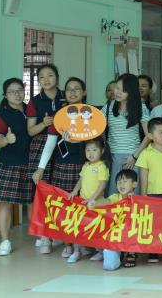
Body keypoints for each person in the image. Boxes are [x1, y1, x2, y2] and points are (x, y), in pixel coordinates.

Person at [32, 77, 88, 260]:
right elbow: (50, 144)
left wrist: (78, 140)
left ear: (84, 92)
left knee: (83, 204)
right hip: (62, 166)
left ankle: (82, 242)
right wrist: (40, 168)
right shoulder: (59, 115)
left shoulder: (91, 114)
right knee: (64, 206)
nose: (73, 92)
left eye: (77, 88)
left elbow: (98, 141)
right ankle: (68, 243)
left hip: (85, 166)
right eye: (69, 89)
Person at [0, 78, 32, 257]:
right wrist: (6, 140)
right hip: (10, 163)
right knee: (5, 202)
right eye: (12, 92)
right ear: (5, 95)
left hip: (32, 162)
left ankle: (42, 237)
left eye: (19, 90)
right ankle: (5, 241)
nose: (17, 94)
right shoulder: (1, 115)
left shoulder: (31, 110)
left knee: (34, 200)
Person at [26, 63, 64, 254]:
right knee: (42, 189)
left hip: (64, 145)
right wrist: (44, 123)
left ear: (57, 77)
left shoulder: (66, 96)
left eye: (50, 75)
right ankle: (43, 235)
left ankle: (59, 231)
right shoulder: (35, 101)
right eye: (42, 77)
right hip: (41, 146)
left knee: (60, 188)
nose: (46, 80)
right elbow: (30, 130)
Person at [135, 117, 162, 263]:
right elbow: (143, 176)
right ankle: (153, 251)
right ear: (150, 135)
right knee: (153, 224)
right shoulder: (146, 153)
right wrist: (144, 196)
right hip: (152, 195)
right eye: (160, 132)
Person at [103, 74, 150, 196]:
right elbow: (94, 126)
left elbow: (149, 135)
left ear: (131, 92)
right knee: (113, 196)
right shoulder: (109, 106)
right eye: (117, 88)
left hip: (131, 158)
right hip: (112, 158)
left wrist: (134, 156)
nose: (118, 92)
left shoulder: (141, 107)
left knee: (131, 197)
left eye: (123, 91)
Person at [68, 137, 109, 263]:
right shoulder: (85, 165)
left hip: (96, 204)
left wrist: (92, 198)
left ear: (102, 151)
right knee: (78, 226)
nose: (91, 153)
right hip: (83, 202)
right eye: (88, 150)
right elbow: (81, 180)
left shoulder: (102, 166)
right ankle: (77, 251)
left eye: (94, 150)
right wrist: (74, 191)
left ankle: (100, 251)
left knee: (96, 228)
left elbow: (102, 184)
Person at [101, 169, 139, 270]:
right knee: (109, 265)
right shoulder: (115, 197)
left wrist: (133, 200)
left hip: (130, 232)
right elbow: (106, 201)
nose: (121, 185)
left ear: (134, 184)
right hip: (116, 232)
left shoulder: (137, 199)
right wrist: (94, 203)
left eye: (125, 181)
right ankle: (119, 251)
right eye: (119, 182)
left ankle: (131, 252)